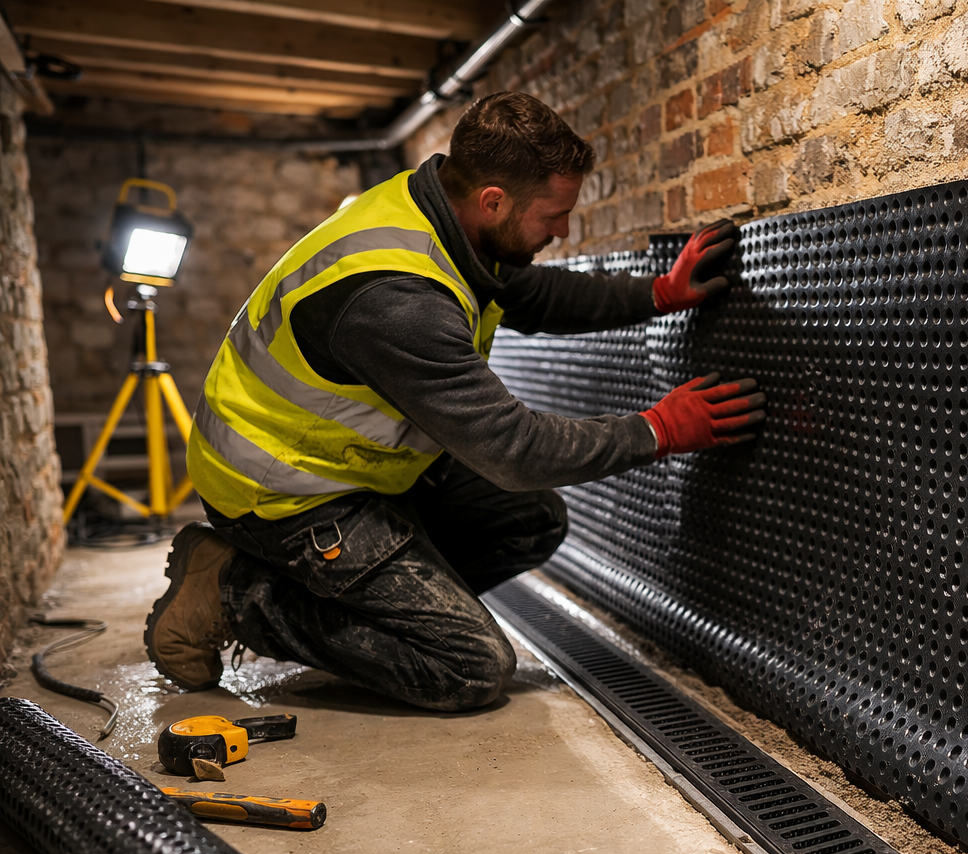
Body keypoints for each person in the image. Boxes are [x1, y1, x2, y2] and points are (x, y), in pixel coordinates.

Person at [143, 92, 765, 711]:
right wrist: (659, 430)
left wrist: (658, 293)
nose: (563, 231)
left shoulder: (444, 217)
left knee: (529, 520)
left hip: (350, 467)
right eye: (554, 215)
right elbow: (515, 450)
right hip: (282, 489)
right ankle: (236, 592)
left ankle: (369, 600)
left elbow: (532, 293)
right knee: (469, 666)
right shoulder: (395, 298)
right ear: (493, 201)